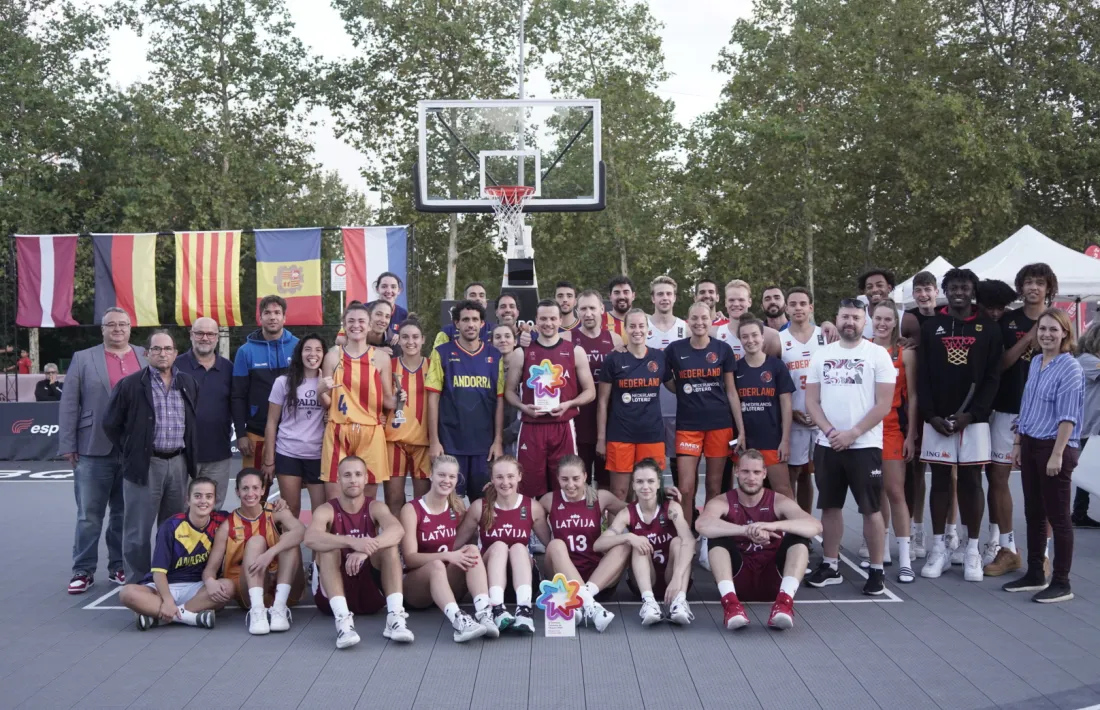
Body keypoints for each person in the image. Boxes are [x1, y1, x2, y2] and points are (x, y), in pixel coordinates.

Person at [804, 298, 896, 595]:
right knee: (830, 506)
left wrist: (853, 433)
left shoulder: (878, 355)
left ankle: (877, 570)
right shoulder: (822, 355)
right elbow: (811, 401)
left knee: (871, 509)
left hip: (864, 445)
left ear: (864, 321)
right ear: (837, 318)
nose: (850, 323)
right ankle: (831, 565)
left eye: (856, 318)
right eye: (845, 317)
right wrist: (831, 431)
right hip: (827, 443)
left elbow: (884, 405)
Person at [918, 268, 1003, 582]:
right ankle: (938, 548)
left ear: (972, 291)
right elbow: (922, 376)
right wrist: (930, 415)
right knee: (940, 482)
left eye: (964, 287)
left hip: (974, 420)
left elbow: (993, 377)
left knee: (971, 482)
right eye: (953, 287)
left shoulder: (989, 328)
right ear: (946, 290)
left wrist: (974, 413)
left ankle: (972, 550)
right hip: (938, 420)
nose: (959, 292)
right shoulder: (931, 327)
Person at [58, 307, 147, 592]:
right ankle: (82, 570)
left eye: (123, 324)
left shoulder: (145, 355)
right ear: (103, 329)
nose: (118, 329)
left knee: (123, 514)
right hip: (92, 448)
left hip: (132, 449)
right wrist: (69, 444)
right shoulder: (83, 358)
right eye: (112, 325)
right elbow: (70, 404)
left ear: (130, 328)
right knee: (89, 515)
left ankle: (118, 566)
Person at [104, 330, 200, 586]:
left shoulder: (188, 383)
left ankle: (169, 580)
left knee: (173, 529)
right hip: (146, 466)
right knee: (137, 532)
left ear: (176, 353)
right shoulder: (131, 384)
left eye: (167, 349)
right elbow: (110, 424)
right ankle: (137, 585)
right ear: (146, 354)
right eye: (156, 349)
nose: (162, 353)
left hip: (178, 463)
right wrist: (133, 450)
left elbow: (191, 423)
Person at [1002, 308, 1084, 603]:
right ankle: (1036, 573)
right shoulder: (1037, 361)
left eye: (1053, 329)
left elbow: (1068, 417)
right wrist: (1017, 443)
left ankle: (1062, 581)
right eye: (1042, 329)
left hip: (1054, 447)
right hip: (1031, 443)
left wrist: (1057, 454)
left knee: (1059, 518)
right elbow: (1027, 406)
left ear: (1065, 333)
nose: (1047, 334)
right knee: (1034, 513)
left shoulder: (1070, 368)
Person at [984, 264, 1056, 578]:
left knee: (1044, 483)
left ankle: (1042, 553)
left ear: (1048, 288)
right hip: (1006, 409)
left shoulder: (1058, 323)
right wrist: (1029, 336)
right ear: (1021, 287)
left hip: (1044, 414)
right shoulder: (1008, 320)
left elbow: (1066, 364)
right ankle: (1009, 549)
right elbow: (998, 365)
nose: (1033, 288)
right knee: (997, 478)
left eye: (1040, 283)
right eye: (1028, 282)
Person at [697, 450, 821, 630]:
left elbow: (815, 526)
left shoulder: (778, 501)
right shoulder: (723, 501)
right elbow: (702, 524)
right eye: (746, 471)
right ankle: (731, 605)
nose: (751, 477)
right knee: (717, 537)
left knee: (799, 537)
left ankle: (784, 604)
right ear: (737, 472)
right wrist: (746, 530)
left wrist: (772, 526)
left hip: (773, 580)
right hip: (738, 578)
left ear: (764, 474)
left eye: (756, 472)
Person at [305, 455, 414, 649]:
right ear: (338, 480)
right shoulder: (326, 510)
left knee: (389, 547)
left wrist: (366, 549)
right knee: (328, 548)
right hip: (330, 597)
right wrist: (352, 542)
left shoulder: (375, 507)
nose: (353, 479)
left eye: (358, 474)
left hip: (369, 592)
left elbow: (398, 530)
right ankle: (343, 622)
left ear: (366, 479)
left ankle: (395, 618)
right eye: (347, 475)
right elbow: (310, 538)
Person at [399, 455, 495, 642]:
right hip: (417, 588)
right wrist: (448, 555)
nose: (446, 481)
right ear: (430, 475)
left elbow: (474, 535)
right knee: (437, 565)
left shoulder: (457, 508)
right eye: (441, 475)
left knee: (472, 551)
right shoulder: (412, 509)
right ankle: (459, 621)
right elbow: (410, 558)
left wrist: (492, 494)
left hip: (447, 582)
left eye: (451, 477)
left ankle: (484, 613)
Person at [506, 300, 595, 498]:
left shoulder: (575, 351)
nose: (548, 323)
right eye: (543, 318)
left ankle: (561, 527)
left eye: (553, 318)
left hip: (562, 426)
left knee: (565, 484)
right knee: (527, 485)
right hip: (531, 425)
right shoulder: (521, 353)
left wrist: (570, 404)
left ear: (560, 320)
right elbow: (509, 392)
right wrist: (523, 407)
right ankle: (531, 528)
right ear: (536, 321)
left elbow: (590, 392)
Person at [453, 456, 551, 633]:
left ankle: (524, 611)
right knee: (499, 545)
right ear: (492, 479)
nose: (505, 482)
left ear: (519, 476)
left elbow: (550, 545)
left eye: (510, 476)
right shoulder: (479, 507)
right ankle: (497, 609)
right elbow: (455, 543)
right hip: (489, 584)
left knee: (518, 547)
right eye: (499, 477)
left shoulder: (532, 507)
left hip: (524, 582)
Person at [664, 302, 744, 520]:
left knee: (713, 486)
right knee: (686, 488)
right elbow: (669, 382)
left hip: (720, 425)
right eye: (695, 318)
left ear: (711, 321)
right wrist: (682, 389)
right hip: (688, 427)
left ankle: (710, 538)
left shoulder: (722, 349)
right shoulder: (674, 350)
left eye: (704, 318)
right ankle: (687, 535)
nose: (699, 322)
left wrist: (741, 430)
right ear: (687, 321)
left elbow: (731, 392)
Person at [118, 476, 231, 630]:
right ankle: (191, 616)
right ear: (187, 500)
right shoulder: (171, 526)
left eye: (208, 496)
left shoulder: (222, 520)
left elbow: (251, 515)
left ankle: (160, 617)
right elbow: (158, 572)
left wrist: (276, 505)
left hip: (197, 587)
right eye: (197, 496)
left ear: (214, 500)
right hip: (165, 586)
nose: (203, 501)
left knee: (228, 587)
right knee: (127, 593)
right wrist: (168, 600)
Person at [203, 469, 306, 634]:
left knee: (290, 539)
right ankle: (258, 611)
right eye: (245, 488)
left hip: (283, 586)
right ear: (237, 491)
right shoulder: (227, 526)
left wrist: (270, 553)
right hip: (249, 592)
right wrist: (210, 582)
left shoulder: (276, 511)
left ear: (263, 490)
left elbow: (301, 531)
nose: (250, 493)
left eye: (255, 488)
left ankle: (279, 608)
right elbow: (210, 569)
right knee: (256, 541)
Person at [595, 458, 695, 625]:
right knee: (637, 543)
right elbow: (598, 544)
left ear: (658, 484)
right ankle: (649, 603)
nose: (645, 486)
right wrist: (628, 536)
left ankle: (680, 602)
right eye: (640, 482)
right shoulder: (628, 512)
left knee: (679, 541)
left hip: (675, 578)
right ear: (633, 485)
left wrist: (677, 575)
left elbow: (690, 541)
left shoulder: (671, 507)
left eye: (650, 481)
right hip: (644, 581)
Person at [539, 455, 630, 632]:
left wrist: (662, 497)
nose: (570, 484)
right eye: (564, 479)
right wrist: (493, 496)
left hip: (597, 578)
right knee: (555, 544)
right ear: (557, 478)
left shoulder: (600, 497)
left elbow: (635, 510)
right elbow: (520, 509)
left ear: (585, 476)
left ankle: (584, 598)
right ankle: (590, 605)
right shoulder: (549, 500)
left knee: (625, 544)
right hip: (562, 580)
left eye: (576, 479)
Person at [426, 300, 505, 500]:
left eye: (475, 320)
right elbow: (433, 398)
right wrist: (434, 441)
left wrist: (498, 440)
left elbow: (500, 401)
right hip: (451, 443)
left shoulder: (495, 356)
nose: (470, 324)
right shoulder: (441, 353)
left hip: (484, 446)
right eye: (465, 320)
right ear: (456, 324)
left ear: (482, 324)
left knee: (485, 504)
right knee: (452, 504)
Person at [319, 302, 396, 500]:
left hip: (371, 432)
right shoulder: (332, 356)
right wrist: (320, 392)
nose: (356, 325)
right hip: (338, 430)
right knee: (335, 500)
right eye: (351, 321)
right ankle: (337, 532)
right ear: (344, 324)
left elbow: (388, 400)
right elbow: (326, 402)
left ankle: (368, 532)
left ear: (369, 325)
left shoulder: (381, 358)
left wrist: (404, 400)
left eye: (362, 321)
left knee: (368, 501)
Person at [870, 300, 919, 582]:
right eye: (878, 318)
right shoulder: (862, 349)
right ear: (871, 319)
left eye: (888, 319)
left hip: (891, 429)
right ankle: (882, 549)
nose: (883, 323)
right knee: (875, 493)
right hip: (866, 430)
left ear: (895, 322)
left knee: (895, 491)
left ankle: (905, 557)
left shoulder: (904, 353)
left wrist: (911, 434)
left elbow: (912, 397)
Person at [597, 308, 668, 500]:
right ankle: (618, 531)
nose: (637, 330)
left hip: (651, 434)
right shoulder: (614, 358)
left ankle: (648, 530)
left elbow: (675, 386)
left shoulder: (659, 357)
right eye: (632, 326)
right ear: (626, 329)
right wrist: (601, 438)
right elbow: (603, 401)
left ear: (648, 329)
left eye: (641, 326)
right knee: (619, 492)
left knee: (649, 492)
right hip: (621, 434)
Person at [262, 334, 328, 518]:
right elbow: (271, 422)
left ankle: (319, 547)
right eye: (308, 349)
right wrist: (269, 459)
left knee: (321, 513)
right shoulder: (283, 382)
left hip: (319, 454)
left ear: (324, 355)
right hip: (288, 452)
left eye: (318, 350)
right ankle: (290, 547)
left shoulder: (329, 383)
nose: (312, 354)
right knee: (291, 511)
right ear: (300, 353)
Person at [176, 317, 238, 507]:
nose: (205, 338)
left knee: (213, 510)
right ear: (191, 335)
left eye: (210, 333)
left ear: (217, 337)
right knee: (180, 510)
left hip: (218, 455)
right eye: (199, 333)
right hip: (181, 456)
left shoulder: (229, 368)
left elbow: (237, 405)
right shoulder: (175, 366)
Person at [233, 294, 299, 470]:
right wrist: (241, 434)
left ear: (285, 317)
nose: (272, 317)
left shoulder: (299, 348)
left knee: (291, 495)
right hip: (256, 434)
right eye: (267, 312)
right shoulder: (245, 352)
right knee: (254, 494)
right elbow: (238, 395)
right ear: (260, 317)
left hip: (292, 435)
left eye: (277, 312)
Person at [900, 270, 939, 557]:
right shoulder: (908, 319)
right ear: (913, 294)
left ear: (936, 291)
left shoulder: (949, 316)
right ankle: (916, 530)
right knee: (914, 470)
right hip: (914, 399)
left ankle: (947, 533)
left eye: (928, 289)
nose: (924, 295)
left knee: (946, 472)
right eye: (919, 290)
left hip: (942, 399)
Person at [735, 317, 796, 500]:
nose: (750, 340)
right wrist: (739, 434)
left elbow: (786, 405)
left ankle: (792, 529)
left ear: (762, 337)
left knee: (783, 490)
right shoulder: (735, 369)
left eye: (754, 335)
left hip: (772, 439)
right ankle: (751, 528)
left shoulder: (776, 366)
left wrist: (785, 440)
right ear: (740, 340)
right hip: (746, 441)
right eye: (745, 336)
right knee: (747, 492)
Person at [780, 287, 827, 514]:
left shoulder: (826, 336)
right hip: (795, 416)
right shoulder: (779, 340)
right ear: (786, 308)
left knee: (817, 475)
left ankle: (809, 525)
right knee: (793, 473)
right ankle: (792, 525)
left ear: (811, 307)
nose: (798, 308)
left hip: (823, 418)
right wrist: (790, 413)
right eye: (793, 304)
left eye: (802, 303)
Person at [382, 318, 432, 513]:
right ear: (399, 341)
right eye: (405, 337)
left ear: (423, 340)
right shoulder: (389, 365)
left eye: (415, 337)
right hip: (393, 441)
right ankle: (395, 543)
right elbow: (378, 397)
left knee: (422, 503)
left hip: (424, 443)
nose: (410, 341)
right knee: (393, 500)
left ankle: (419, 543)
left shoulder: (433, 365)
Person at [573, 290, 622, 488]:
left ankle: (607, 520)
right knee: (578, 481)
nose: (588, 313)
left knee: (606, 483)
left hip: (609, 421)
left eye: (592, 308)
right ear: (577, 312)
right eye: (583, 308)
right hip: (578, 421)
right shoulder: (567, 338)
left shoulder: (615, 339)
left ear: (602, 309)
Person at [647, 275, 688, 459]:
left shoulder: (685, 327)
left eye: (668, 294)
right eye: (660, 294)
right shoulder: (641, 327)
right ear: (652, 298)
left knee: (678, 462)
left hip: (678, 407)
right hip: (649, 409)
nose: (664, 297)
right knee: (650, 465)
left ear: (675, 297)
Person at [1072, 322, 1100, 528]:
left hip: (1092, 423)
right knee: (1090, 469)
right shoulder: (1088, 361)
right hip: (1092, 424)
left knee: (1090, 469)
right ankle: (1079, 512)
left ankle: (1079, 512)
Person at [714, 280, 782, 358]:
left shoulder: (771, 336)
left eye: (741, 300)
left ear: (749, 302)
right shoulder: (714, 334)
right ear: (726, 302)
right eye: (731, 300)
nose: (736, 304)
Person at [492, 324, 523, 456]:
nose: (503, 340)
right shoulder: (486, 370)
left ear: (515, 341)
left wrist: (512, 431)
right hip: (493, 436)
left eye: (507, 336)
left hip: (518, 432)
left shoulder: (526, 370)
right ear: (491, 342)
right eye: (497, 337)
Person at [434, 282, 493, 347]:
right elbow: (437, 355)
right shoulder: (447, 332)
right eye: (473, 295)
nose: (478, 298)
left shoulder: (495, 330)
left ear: (486, 302)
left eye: (481, 295)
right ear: (464, 300)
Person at [858, 269, 897, 339]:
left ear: (889, 288)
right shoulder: (855, 319)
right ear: (864, 291)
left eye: (879, 285)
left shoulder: (906, 319)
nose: (875, 290)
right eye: (869, 287)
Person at [375, 271, 409, 342]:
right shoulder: (365, 310)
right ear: (377, 289)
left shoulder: (404, 314)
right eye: (384, 286)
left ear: (399, 290)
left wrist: (402, 337)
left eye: (393, 287)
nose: (389, 291)